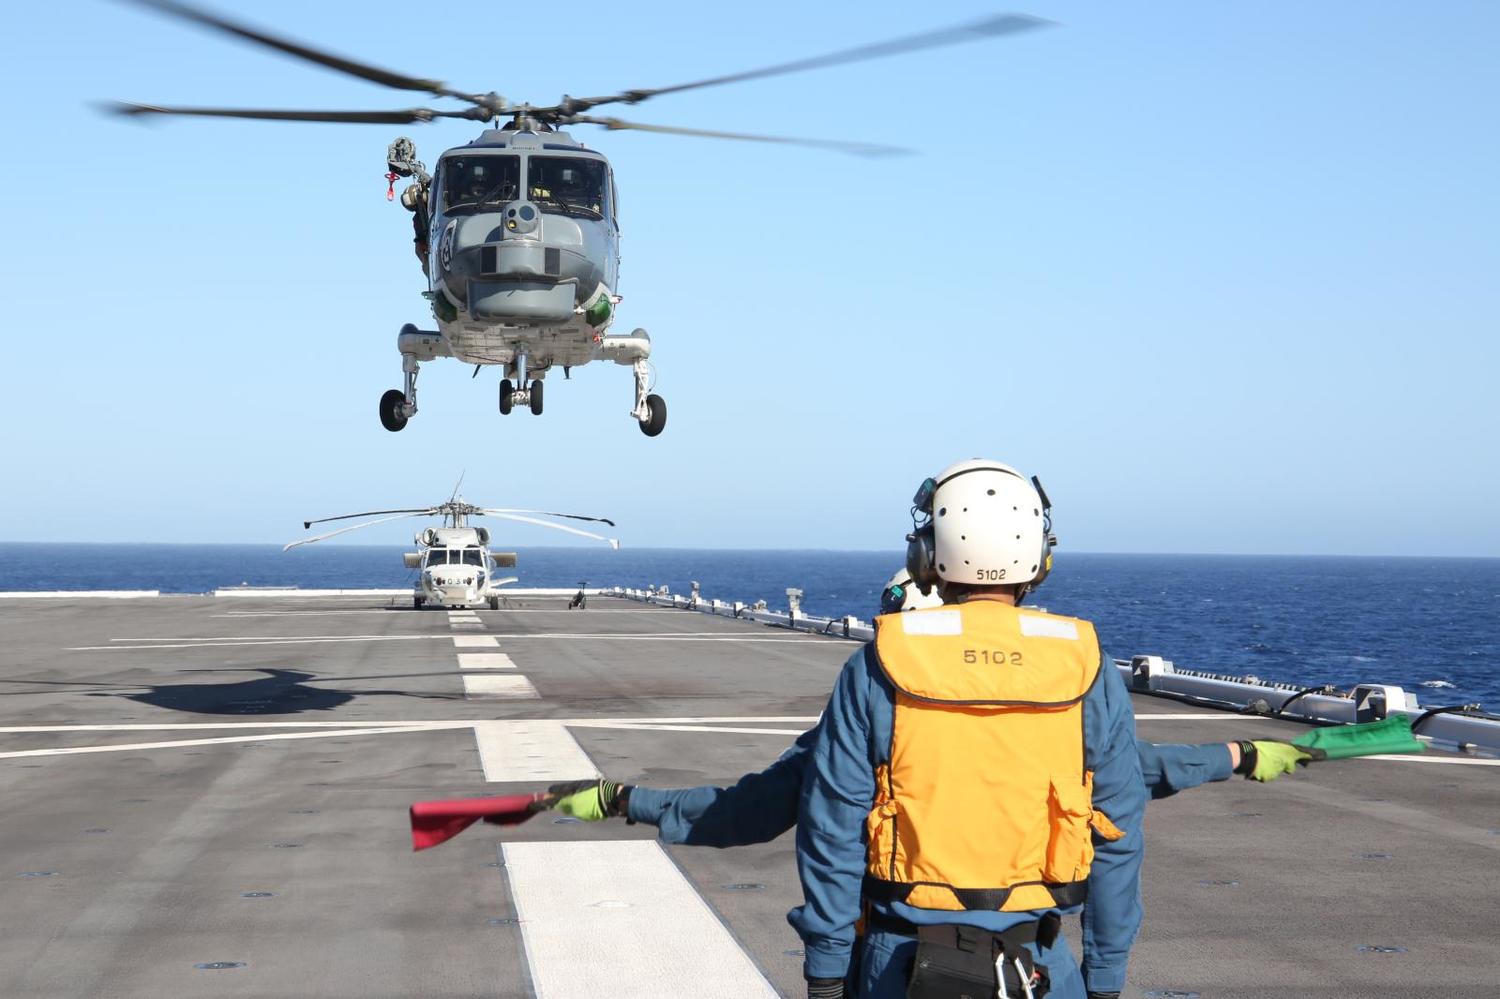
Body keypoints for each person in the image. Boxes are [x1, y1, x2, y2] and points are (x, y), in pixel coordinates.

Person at [534, 511, 1315, 997]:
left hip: (901, 969)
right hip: (1044, 968)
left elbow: (769, 809)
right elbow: (1133, 788)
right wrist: (1241, 754)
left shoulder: (884, 681)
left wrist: (627, 800)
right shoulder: (1072, 683)